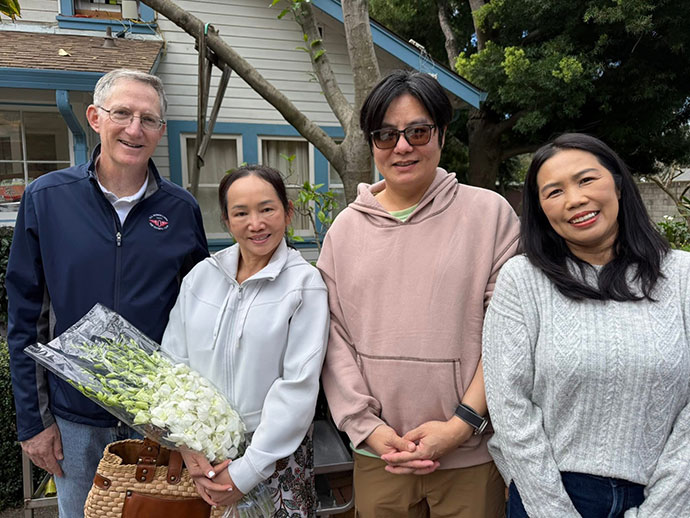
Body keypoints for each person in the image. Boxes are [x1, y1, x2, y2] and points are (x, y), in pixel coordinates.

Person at [317, 70, 520, 517]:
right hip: (379, 454)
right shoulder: (345, 231)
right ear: (372, 143)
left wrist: (462, 424)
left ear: (442, 134)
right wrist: (367, 428)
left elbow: (508, 334)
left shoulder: (490, 215)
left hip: (469, 452)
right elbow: (333, 340)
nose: (402, 146)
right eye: (386, 135)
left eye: (418, 132)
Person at [6, 68, 209, 517]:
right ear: (95, 117)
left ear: (160, 131)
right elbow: (25, 318)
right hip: (75, 423)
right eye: (122, 114)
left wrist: (193, 420)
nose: (135, 129)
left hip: (159, 422)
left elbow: (201, 318)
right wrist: (34, 423)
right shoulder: (46, 198)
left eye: (148, 119)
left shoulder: (181, 210)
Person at [482, 133, 690, 517]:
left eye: (586, 180)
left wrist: (664, 509)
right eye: (554, 191)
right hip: (550, 492)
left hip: (667, 495)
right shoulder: (522, 280)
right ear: (541, 209)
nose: (574, 199)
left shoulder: (682, 276)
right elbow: (509, 408)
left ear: (619, 185)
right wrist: (552, 509)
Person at [160, 164, 329, 517]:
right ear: (226, 220)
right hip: (201, 457)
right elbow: (173, 365)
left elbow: (298, 387)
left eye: (267, 209)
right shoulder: (201, 277)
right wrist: (188, 446)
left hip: (273, 458)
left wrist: (246, 471)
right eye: (241, 213)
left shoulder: (304, 285)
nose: (256, 224)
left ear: (288, 211)